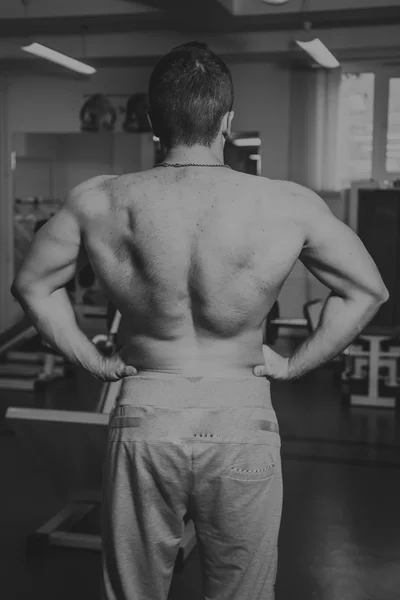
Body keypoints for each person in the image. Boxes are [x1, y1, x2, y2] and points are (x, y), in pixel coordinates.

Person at [11, 42, 388, 600]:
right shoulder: (286, 204)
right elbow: (367, 290)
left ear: (152, 122)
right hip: (242, 418)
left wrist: (95, 360)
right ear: (228, 122)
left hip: (146, 413)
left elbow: (32, 285)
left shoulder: (101, 201)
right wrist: (292, 365)